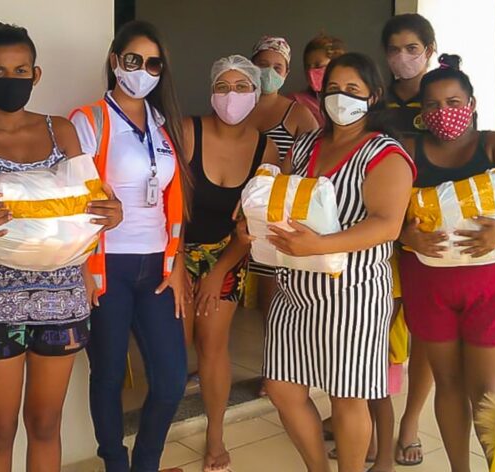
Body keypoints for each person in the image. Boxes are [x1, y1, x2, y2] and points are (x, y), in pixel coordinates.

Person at [0, 20, 122, 472]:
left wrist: (111, 212)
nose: (10, 79)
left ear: (36, 75)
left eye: (21, 71)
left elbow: (88, 204)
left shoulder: (61, 131)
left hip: (62, 296)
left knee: (45, 424)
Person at [262, 52, 415, 472]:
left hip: (353, 292)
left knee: (347, 395)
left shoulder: (384, 153)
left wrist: (321, 244)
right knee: (282, 386)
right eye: (332, 89)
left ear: (373, 96)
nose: (340, 97)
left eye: (352, 89)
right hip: (296, 288)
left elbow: (387, 225)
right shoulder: (306, 145)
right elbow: (284, 196)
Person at [398, 55, 495, 471]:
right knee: (449, 384)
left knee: (489, 391)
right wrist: (406, 235)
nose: (444, 112)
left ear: (471, 104)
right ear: (421, 112)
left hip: (492, 285)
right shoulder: (408, 151)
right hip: (429, 284)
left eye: (453, 102)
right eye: (433, 105)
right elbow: (387, 206)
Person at [70, 20, 189, 472]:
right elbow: (72, 196)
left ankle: (147, 464)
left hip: (157, 265)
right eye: (133, 60)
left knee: (171, 380)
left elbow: (174, 200)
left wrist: (176, 262)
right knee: (108, 374)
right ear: (115, 61)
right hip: (107, 266)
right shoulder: (90, 120)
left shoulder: (163, 124)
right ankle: (115, 464)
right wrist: (82, 267)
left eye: (153, 63)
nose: (142, 71)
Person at [180, 55, 277, 472]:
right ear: (211, 91)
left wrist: (217, 272)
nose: (231, 96)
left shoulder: (266, 148)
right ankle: (157, 425)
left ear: (256, 93)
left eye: (241, 87)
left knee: (213, 345)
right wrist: (178, 265)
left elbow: (254, 224)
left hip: (229, 254)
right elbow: (168, 205)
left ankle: (215, 435)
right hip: (176, 251)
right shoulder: (188, 131)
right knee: (172, 348)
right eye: (223, 86)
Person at [380, 13, 440, 466]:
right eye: (394, 49)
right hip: (379, 228)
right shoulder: (374, 98)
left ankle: (410, 423)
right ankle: (368, 418)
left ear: (429, 51)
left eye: (412, 49)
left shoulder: (443, 98)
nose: (403, 57)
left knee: (423, 331)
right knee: (374, 328)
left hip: (426, 231)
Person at [247, 36, 320, 324]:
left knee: (272, 303)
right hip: (234, 215)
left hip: (274, 218)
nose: (269, 72)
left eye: (277, 67)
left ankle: (271, 353)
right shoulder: (235, 106)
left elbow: (314, 165)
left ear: (287, 73)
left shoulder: (297, 113)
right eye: (262, 64)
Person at [289, 34, 347, 128]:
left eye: (318, 66)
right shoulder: (295, 101)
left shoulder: (351, 101)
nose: (311, 72)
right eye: (308, 66)